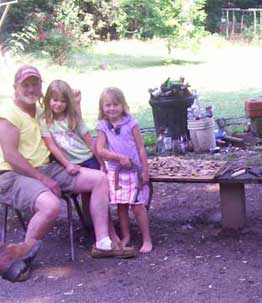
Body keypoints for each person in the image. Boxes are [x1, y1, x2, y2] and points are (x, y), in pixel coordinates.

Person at [0, 66, 137, 281]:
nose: (31, 89)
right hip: (14, 174)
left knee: (99, 178)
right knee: (51, 205)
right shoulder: (9, 114)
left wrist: (76, 102)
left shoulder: (41, 110)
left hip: (47, 168)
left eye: (35, 84)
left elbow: (71, 118)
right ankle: (19, 256)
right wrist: (43, 179)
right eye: (25, 85)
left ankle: (103, 243)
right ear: (15, 88)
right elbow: (11, 156)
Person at [96, 87, 153, 253]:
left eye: (115, 104)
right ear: (102, 107)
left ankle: (146, 239)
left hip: (134, 171)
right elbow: (100, 149)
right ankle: (126, 236)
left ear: (123, 105)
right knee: (121, 206)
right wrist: (118, 157)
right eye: (108, 105)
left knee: (137, 205)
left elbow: (141, 148)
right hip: (116, 172)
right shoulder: (103, 126)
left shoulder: (131, 123)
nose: (112, 108)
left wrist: (145, 170)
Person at [39, 79, 102, 175]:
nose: (59, 104)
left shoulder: (73, 117)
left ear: (68, 102)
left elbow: (90, 142)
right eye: (55, 100)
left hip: (88, 158)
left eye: (63, 101)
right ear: (48, 99)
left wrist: (102, 164)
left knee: (100, 179)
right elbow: (52, 147)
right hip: (70, 163)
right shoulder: (45, 121)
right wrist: (67, 164)